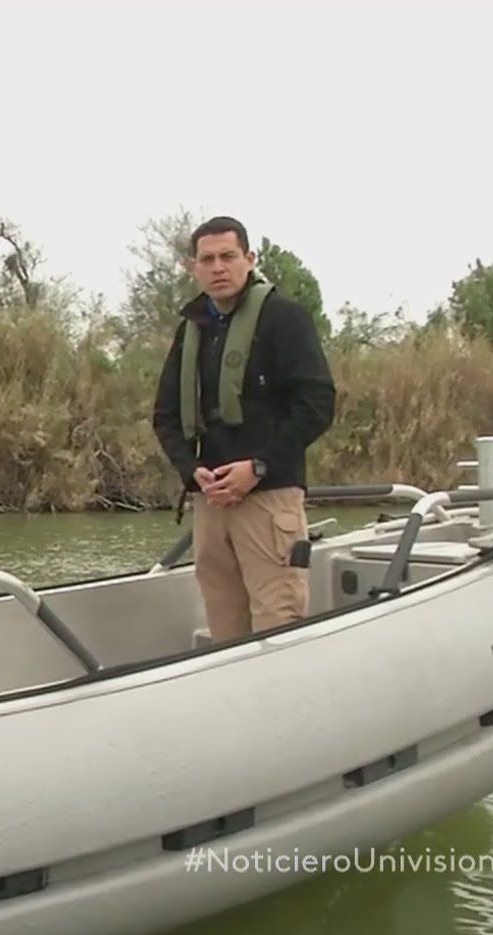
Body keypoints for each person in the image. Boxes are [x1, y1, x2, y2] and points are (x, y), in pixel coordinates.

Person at [151, 215, 335, 642]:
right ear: (193, 267)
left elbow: (317, 404)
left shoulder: (284, 319)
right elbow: (165, 415)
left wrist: (259, 466)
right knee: (225, 628)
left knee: (278, 623)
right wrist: (189, 470)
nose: (218, 268)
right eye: (208, 259)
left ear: (249, 259)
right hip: (211, 504)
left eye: (228, 257)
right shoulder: (191, 330)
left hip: (269, 499)